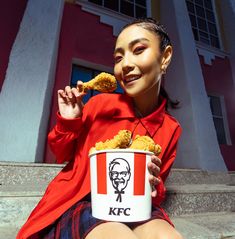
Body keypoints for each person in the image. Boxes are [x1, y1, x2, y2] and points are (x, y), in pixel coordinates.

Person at [17, 18, 183, 239]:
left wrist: (154, 183)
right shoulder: (100, 105)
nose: (125, 64)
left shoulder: (171, 128)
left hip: (133, 205)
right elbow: (61, 154)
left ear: (165, 57)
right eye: (118, 57)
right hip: (83, 201)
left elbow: (157, 190)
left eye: (138, 50)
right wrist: (69, 121)